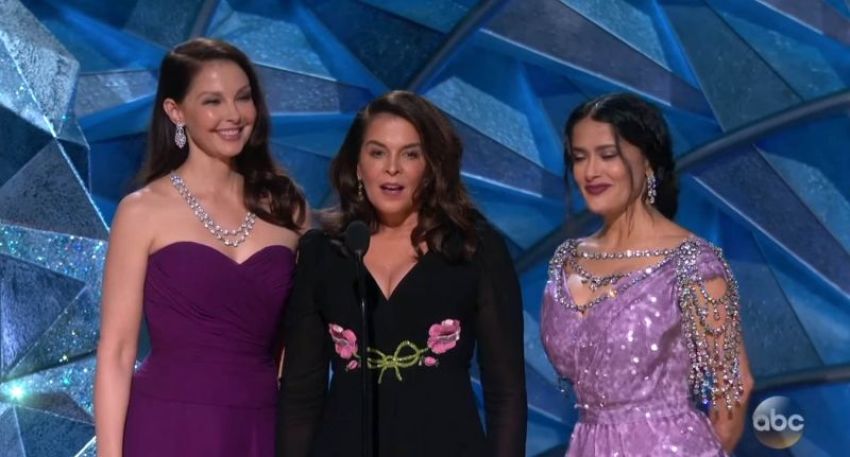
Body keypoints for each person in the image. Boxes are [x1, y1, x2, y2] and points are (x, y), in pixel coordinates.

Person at [277, 90, 527, 457]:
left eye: (411, 154)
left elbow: (505, 394)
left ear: (432, 166)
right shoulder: (324, 252)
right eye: (377, 152)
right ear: (358, 165)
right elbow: (300, 394)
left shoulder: (475, 249)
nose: (392, 167)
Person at [94, 37, 308, 457]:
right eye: (212, 101)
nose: (233, 115)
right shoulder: (142, 211)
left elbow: (293, 345)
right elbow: (117, 352)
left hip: (261, 427)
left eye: (243, 98)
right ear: (176, 112)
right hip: (168, 427)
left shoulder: (287, 209)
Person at [541, 93, 754, 456]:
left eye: (608, 155)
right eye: (580, 158)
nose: (591, 172)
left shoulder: (690, 262)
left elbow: (733, 385)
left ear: (649, 163)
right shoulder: (567, 259)